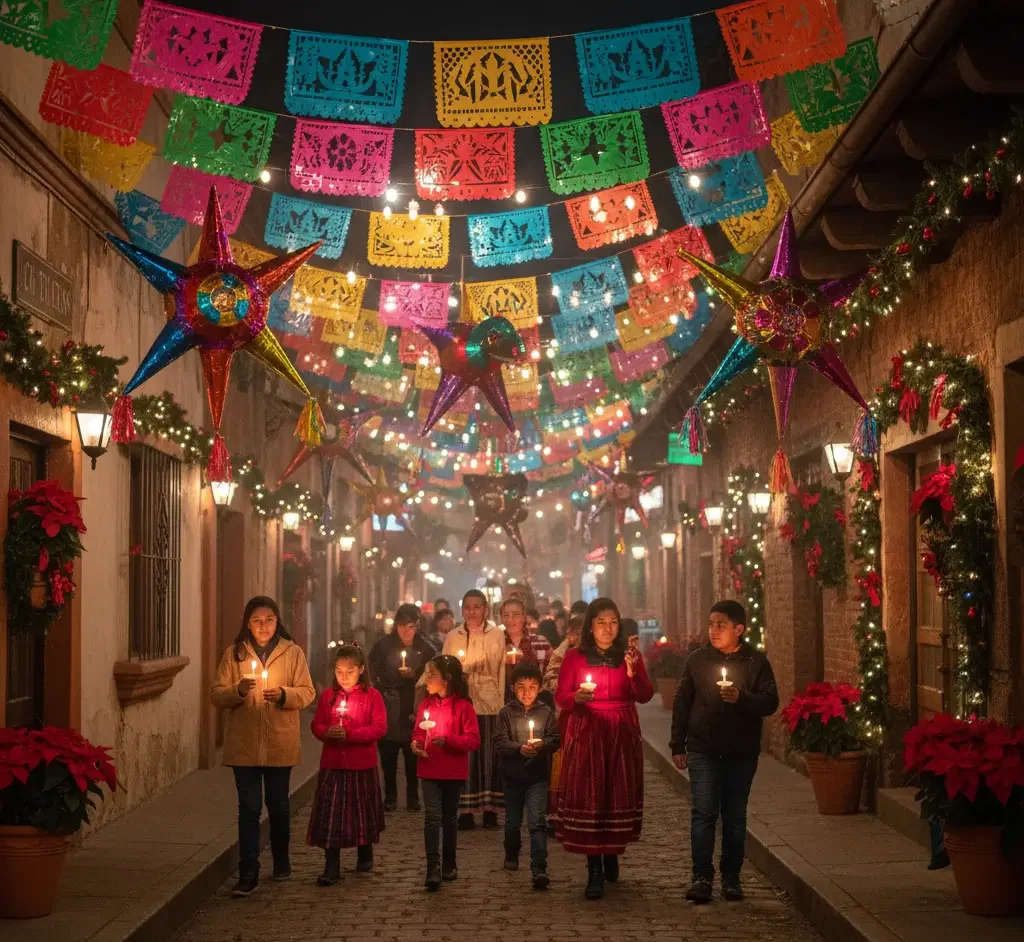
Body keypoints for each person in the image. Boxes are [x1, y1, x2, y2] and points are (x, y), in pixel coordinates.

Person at [669, 599, 779, 903]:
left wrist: (741, 698)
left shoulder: (755, 663)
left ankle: (732, 877)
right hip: (703, 748)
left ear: (739, 629)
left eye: (721, 625)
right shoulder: (697, 660)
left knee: (734, 816)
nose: (714, 630)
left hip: (741, 752)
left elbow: (770, 702)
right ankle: (701, 876)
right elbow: (681, 702)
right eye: (711, 624)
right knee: (703, 813)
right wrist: (678, 744)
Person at [211, 596, 316, 897]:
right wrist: (238, 690)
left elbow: (307, 692)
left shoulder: (292, 652)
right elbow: (216, 695)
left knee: (278, 805)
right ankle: (249, 871)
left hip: (279, 742)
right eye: (257, 621)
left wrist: (284, 695)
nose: (263, 626)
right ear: (247, 623)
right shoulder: (235, 654)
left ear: (277, 620)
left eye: (269, 619)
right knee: (249, 808)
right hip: (244, 744)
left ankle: (281, 860)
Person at [554, 599, 654, 900]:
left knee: (616, 792)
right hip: (587, 730)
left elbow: (645, 695)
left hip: (621, 731)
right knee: (591, 795)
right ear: (590, 626)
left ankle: (611, 851)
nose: (607, 628)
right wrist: (577, 698)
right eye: (601, 622)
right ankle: (594, 866)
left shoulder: (630, 655)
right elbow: (561, 696)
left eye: (613, 622)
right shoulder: (574, 657)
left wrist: (634, 673)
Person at [307, 643, 386, 884]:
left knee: (362, 812)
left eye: (350, 671)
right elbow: (316, 724)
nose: (344, 677)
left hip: (361, 765)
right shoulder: (328, 696)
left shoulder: (372, 696)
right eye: (339, 672)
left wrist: (351, 734)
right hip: (333, 764)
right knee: (332, 815)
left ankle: (365, 853)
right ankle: (332, 866)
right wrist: (327, 731)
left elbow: (379, 727)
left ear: (361, 670)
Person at [411, 655, 480, 891]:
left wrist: (449, 740)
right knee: (432, 816)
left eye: (432, 675)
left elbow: (472, 739)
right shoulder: (425, 705)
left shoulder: (464, 707)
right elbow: (419, 732)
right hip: (429, 767)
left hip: (453, 770)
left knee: (450, 818)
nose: (427, 679)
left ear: (447, 680)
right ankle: (433, 866)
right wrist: (416, 743)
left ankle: (450, 861)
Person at [441, 590, 505, 829]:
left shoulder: (496, 634)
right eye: (467, 607)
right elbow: (446, 667)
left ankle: (490, 809)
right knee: (465, 758)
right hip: (462, 704)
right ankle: (465, 810)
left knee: (489, 757)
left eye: (476, 607)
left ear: (485, 608)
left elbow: (499, 669)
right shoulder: (453, 636)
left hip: (490, 703)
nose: (472, 612)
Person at [493, 663, 560, 889]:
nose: (526, 692)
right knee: (512, 822)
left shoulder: (546, 712)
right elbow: (499, 740)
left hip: (537, 776)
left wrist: (541, 745)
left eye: (532, 687)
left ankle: (539, 866)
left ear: (540, 688)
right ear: (513, 688)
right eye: (521, 687)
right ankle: (511, 852)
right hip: (512, 777)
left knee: (537, 821)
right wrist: (518, 748)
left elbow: (555, 739)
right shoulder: (506, 713)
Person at [369, 603, 434, 812]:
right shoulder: (383, 646)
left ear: (417, 626)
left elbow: (433, 672)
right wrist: (385, 683)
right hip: (388, 704)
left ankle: (413, 796)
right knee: (387, 754)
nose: (406, 631)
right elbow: (372, 670)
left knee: (412, 755)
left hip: (412, 705)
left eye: (410, 627)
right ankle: (390, 796)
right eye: (401, 626)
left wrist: (416, 675)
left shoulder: (426, 648)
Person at [500, 596, 553, 704]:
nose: (510, 619)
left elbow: (552, 672)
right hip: (504, 705)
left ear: (524, 617)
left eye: (515, 615)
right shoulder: (496, 644)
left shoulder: (540, 643)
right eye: (505, 615)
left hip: (536, 703)